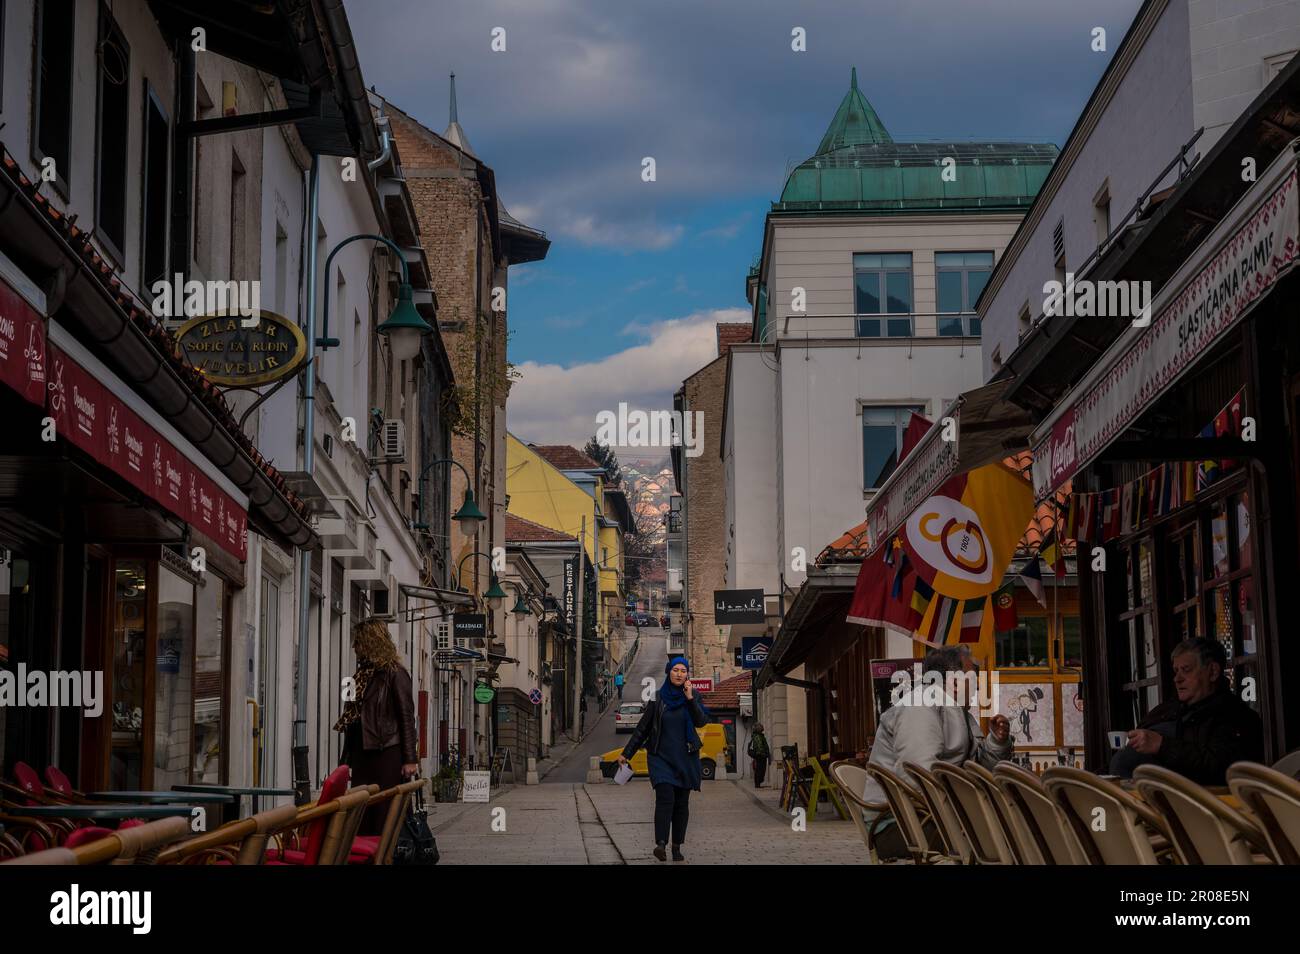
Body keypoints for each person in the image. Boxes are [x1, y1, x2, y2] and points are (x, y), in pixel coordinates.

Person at [862, 646, 1012, 860]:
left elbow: (978, 769)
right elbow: (918, 777)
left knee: (1012, 829)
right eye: (972, 675)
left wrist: (997, 743)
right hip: (899, 825)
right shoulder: (920, 707)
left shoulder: (959, 713)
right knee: (1005, 836)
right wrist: (969, 806)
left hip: (929, 816)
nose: (977, 684)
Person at [1110, 637, 1263, 784]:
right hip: (1128, 795)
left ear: (1213, 672)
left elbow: (1221, 767)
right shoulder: (1166, 709)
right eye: (1176, 671)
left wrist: (1162, 745)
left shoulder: (1235, 716)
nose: (1177, 678)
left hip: (1183, 804)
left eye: (1186, 670)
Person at [619, 656, 710, 862]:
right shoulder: (658, 698)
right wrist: (627, 753)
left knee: (681, 804)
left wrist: (689, 699)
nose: (679, 674)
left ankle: (676, 846)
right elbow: (643, 728)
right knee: (665, 798)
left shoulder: (693, 695)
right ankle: (661, 844)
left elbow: (701, 721)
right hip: (661, 757)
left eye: (683, 670)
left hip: (686, 757)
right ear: (669, 672)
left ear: (687, 674)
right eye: (675, 670)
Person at [335, 618, 419, 835]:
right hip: (362, 754)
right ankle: (367, 854)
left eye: (358, 641)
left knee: (384, 810)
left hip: (386, 752)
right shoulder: (359, 676)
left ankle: (388, 853)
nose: (355, 646)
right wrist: (346, 759)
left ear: (370, 642)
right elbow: (350, 719)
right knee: (362, 810)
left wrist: (410, 758)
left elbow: (406, 717)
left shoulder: (395, 673)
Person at [747, 723, 771, 788]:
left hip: (759, 755)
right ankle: (758, 784)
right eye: (761, 727)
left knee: (759, 769)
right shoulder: (758, 736)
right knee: (760, 769)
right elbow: (760, 746)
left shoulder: (757, 736)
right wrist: (764, 754)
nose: (762, 728)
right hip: (760, 755)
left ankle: (758, 783)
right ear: (758, 729)